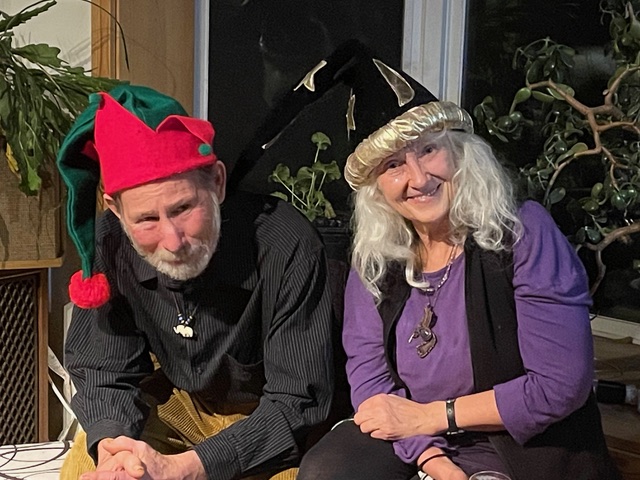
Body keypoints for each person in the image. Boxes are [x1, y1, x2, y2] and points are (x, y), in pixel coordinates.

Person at [296, 85, 621, 478]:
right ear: (376, 188)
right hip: (418, 438)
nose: (419, 179)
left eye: (428, 150)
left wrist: (432, 416)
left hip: (519, 444)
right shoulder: (376, 258)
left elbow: (560, 385)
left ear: (460, 152)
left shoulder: (523, 232)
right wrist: (431, 459)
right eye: (393, 165)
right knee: (327, 469)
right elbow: (370, 378)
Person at [55, 85, 335, 480]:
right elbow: (104, 369)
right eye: (146, 219)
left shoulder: (287, 243)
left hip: (266, 426)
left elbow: (298, 400)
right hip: (177, 407)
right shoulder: (111, 242)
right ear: (115, 210)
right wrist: (115, 450)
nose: (173, 241)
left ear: (217, 182)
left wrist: (185, 468)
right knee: (88, 468)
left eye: (184, 208)